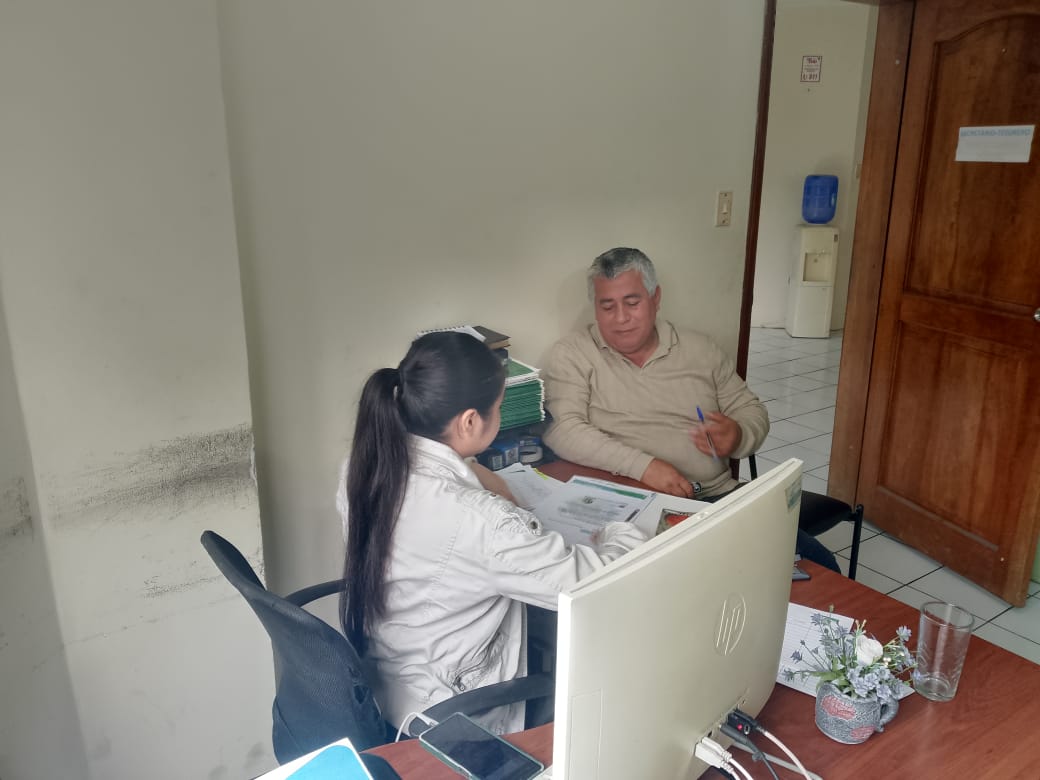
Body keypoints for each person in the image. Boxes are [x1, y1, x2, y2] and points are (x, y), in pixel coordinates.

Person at [337, 331, 646, 736]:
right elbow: (598, 583)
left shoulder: (365, 465)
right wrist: (623, 531)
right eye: (498, 408)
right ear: (469, 421)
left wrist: (472, 470)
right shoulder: (480, 522)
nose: (498, 418)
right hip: (453, 712)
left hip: (388, 680)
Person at [543, 246, 839, 572]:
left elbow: (751, 409)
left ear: (655, 298)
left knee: (820, 568)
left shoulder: (700, 349)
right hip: (629, 507)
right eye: (607, 306)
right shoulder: (574, 354)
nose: (621, 318)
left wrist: (739, 434)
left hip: (713, 500)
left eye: (632, 302)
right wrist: (644, 467)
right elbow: (562, 430)